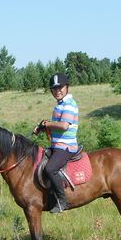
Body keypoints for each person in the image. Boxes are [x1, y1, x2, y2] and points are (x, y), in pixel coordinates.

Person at [33, 73, 79, 213]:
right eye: (54, 89)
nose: (57, 91)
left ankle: (62, 200)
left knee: (50, 168)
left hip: (66, 147)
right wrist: (43, 127)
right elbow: (55, 125)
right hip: (56, 146)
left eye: (60, 88)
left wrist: (47, 124)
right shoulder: (59, 105)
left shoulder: (70, 104)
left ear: (67, 87)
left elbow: (64, 125)